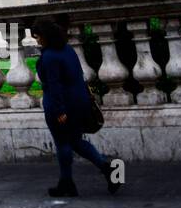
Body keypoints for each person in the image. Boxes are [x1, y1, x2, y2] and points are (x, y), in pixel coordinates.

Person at [32, 17, 121, 198]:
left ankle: (68, 183)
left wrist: (59, 111)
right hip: (78, 102)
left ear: (46, 36)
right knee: (75, 141)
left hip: (62, 106)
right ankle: (106, 170)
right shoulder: (68, 50)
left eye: (38, 37)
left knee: (63, 143)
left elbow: (55, 86)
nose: (37, 41)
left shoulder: (49, 57)